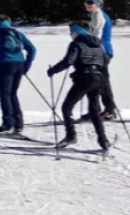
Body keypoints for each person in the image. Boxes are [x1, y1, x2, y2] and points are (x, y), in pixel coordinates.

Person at [47, 23, 110, 152]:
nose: (70, 35)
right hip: (98, 79)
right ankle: (103, 141)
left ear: (77, 33)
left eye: (71, 32)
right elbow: (106, 61)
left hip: (84, 79)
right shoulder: (98, 45)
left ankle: (71, 135)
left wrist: (53, 70)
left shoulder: (76, 44)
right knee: (93, 111)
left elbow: (68, 61)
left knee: (66, 107)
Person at [85, 0, 118, 121]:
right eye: (86, 2)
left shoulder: (98, 14)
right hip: (100, 51)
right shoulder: (95, 14)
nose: (87, 4)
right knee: (95, 81)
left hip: (101, 51)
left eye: (90, 2)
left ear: (97, 4)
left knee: (102, 81)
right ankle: (96, 109)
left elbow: (96, 34)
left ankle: (109, 110)